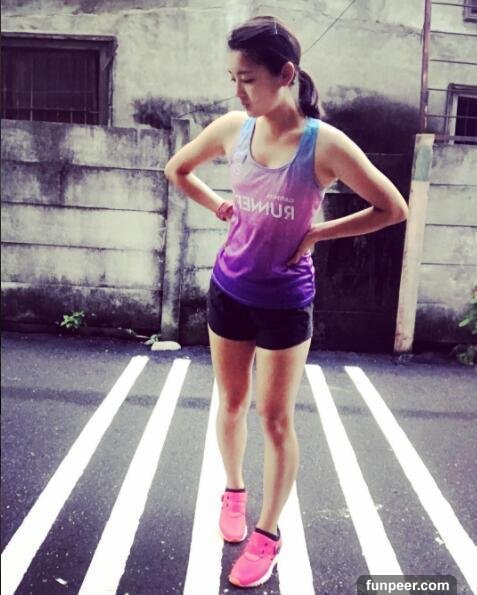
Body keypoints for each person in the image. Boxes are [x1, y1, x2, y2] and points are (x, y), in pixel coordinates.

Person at [165, 15, 408, 589]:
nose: (238, 91)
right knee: (231, 403)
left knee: (274, 419)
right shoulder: (233, 128)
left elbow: (392, 208)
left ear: (286, 74)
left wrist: (319, 233)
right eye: (233, 78)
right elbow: (177, 169)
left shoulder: (324, 145)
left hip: (285, 303)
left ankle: (268, 534)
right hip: (229, 289)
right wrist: (218, 205)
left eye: (248, 79)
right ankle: (233, 491)